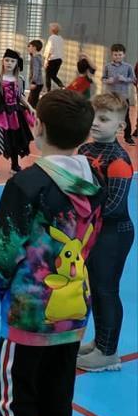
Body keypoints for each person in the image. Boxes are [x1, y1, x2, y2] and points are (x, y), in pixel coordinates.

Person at [0, 90, 104, 416]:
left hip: (29, 312)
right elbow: (90, 239)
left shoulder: (27, 184)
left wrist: (4, 288)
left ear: (37, 126)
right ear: (85, 134)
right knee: (58, 398)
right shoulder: (95, 181)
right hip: (74, 309)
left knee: (15, 402)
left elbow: (4, 251)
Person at [76, 93, 134, 372]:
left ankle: (109, 353)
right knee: (94, 290)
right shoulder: (85, 150)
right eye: (94, 118)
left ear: (120, 127)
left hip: (114, 233)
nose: (96, 123)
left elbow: (114, 206)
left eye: (104, 119)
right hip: (93, 229)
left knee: (106, 290)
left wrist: (81, 212)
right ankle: (101, 342)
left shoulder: (120, 160)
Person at [0, 49, 34, 179]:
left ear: (16, 63)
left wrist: (30, 107)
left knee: (15, 138)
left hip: (15, 114)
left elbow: (20, 96)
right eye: (7, 60)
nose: (9, 63)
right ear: (2, 61)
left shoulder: (20, 79)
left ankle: (15, 165)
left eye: (12, 61)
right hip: (0, 114)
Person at [101, 43, 135, 144]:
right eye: (115, 54)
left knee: (125, 117)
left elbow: (134, 79)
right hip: (111, 97)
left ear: (124, 55)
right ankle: (109, 136)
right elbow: (103, 79)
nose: (118, 56)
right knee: (110, 116)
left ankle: (127, 137)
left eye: (120, 54)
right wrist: (108, 81)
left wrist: (125, 79)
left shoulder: (128, 67)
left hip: (123, 97)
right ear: (112, 55)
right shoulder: (107, 66)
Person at [44, 22, 65, 90]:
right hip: (59, 59)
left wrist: (46, 60)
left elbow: (50, 49)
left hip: (52, 59)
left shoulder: (52, 38)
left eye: (50, 28)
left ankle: (48, 90)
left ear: (52, 30)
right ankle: (62, 86)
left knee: (48, 76)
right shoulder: (61, 38)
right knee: (53, 75)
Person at [27, 39, 44, 108]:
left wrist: (33, 82)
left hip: (36, 83)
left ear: (34, 47)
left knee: (31, 103)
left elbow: (35, 71)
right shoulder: (39, 57)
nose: (28, 48)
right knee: (33, 100)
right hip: (39, 82)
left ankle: (34, 113)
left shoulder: (35, 58)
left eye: (29, 46)